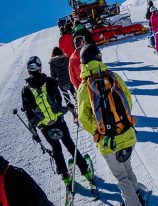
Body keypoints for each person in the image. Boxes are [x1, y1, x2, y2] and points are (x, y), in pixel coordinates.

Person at [76, 44, 146, 206]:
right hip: (127, 134)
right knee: (127, 168)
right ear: (99, 58)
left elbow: (83, 117)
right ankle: (136, 195)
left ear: (83, 62)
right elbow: (127, 99)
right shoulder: (113, 76)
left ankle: (132, 203)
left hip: (108, 142)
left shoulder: (84, 87)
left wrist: (98, 131)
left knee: (121, 177)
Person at [21, 56, 93, 193]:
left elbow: (28, 113)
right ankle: (85, 171)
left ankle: (65, 176)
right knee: (70, 145)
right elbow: (59, 100)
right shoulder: (49, 82)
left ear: (29, 71)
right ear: (40, 68)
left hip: (45, 127)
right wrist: (68, 108)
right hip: (58, 122)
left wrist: (34, 132)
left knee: (56, 150)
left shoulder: (26, 90)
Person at [49, 47, 77, 114]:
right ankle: (79, 104)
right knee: (74, 93)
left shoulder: (52, 62)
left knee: (66, 97)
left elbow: (53, 75)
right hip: (69, 80)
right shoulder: (66, 58)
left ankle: (72, 110)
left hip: (61, 83)